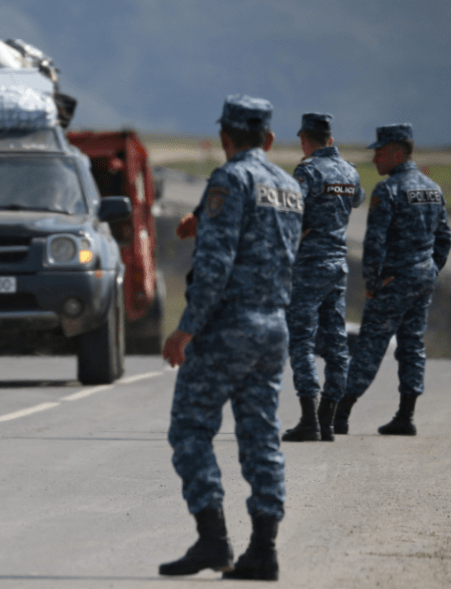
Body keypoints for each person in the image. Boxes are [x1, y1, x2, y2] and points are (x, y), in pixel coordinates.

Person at [159, 95, 302, 582]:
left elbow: (216, 267)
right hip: (273, 326)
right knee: (261, 437)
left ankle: (213, 539)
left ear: (225, 137)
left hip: (227, 327)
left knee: (190, 429)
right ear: (268, 139)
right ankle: (264, 549)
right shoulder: (288, 186)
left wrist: (186, 329)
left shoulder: (229, 179)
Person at [334, 124, 451, 436]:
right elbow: (444, 239)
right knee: (412, 344)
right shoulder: (433, 189)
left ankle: (341, 412)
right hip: (422, 279)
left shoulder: (388, 191)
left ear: (398, 153)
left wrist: (372, 283)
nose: (375, 159)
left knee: (370, 344)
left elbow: (374, 243)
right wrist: (430, 269)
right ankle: (406, 415)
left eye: (380, 152)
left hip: (394, 281)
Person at [282, 113, 365, 443]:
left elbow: (291, 211)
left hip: (310, 265)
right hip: (338, 265)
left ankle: (308, 419)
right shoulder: (349, 171)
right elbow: (356, 199)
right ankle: (327, 420)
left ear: (305, 139)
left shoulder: (307, 171)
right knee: (335, 341)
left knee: (301, 338)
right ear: (330, 139)